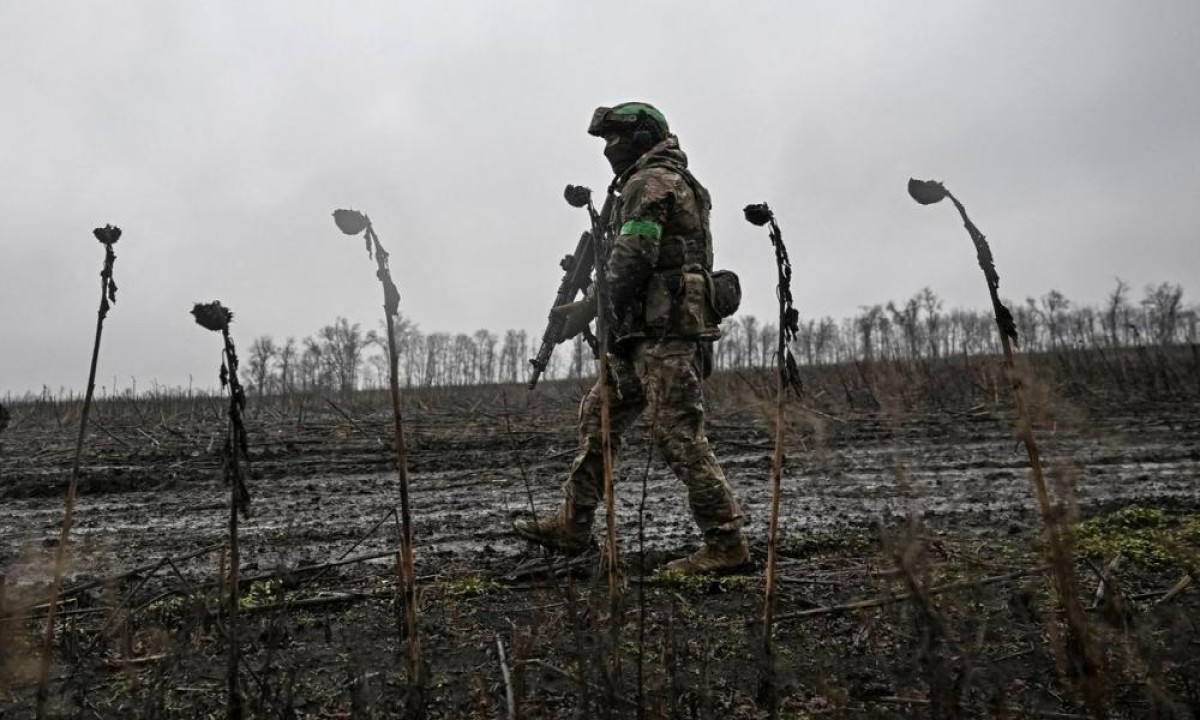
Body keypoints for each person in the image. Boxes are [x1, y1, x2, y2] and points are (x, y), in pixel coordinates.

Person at [514, 102, 748, 574]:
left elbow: (635, 255)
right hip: (640, 334)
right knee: (598, 416)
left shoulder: (653, 181)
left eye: (613, 139)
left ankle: (726, 543)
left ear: (643, 137)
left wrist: (588, 308)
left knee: (679, 436)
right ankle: (573, 523)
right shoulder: (652, 181)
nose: (608, 149)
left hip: (665, 336)